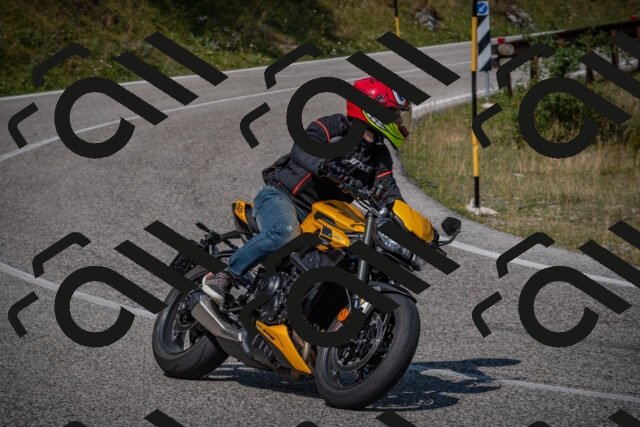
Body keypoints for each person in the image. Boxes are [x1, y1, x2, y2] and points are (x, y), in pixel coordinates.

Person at [202, 77, 416, 306]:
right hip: (283, 197)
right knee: (284, 232)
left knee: (352, 256)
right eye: (394, 112)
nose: (398, 120)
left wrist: (409, 224)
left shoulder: (379, 156)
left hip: (324, 215)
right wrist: (323, 165)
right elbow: (303, 147)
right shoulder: (334, 126)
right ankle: (225, 274)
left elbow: (389, 191)